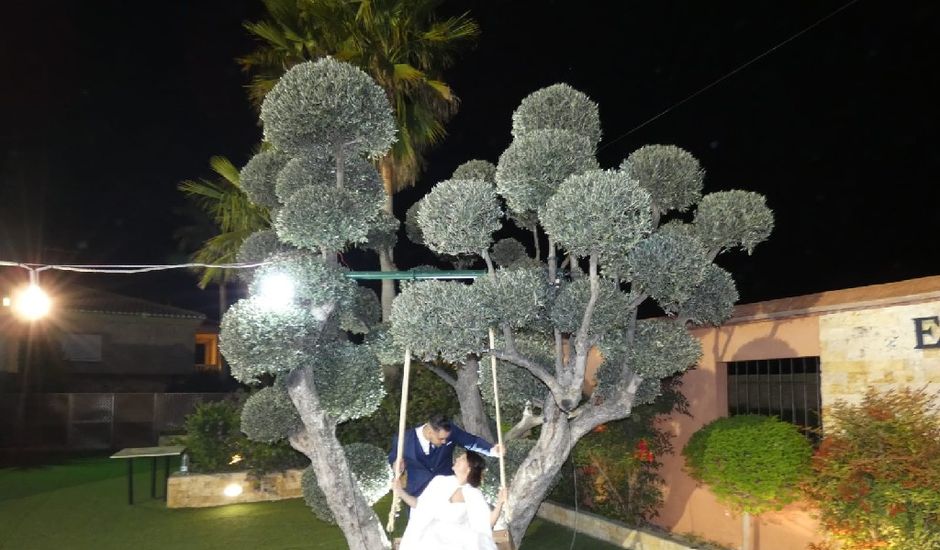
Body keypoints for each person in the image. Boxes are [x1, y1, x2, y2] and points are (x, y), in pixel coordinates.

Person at [393, 450, 507, 550]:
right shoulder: (440, 482)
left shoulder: (473, 493)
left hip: (458, 540)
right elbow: (420, 505)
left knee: (471, 542)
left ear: (468, 469)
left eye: (462, 458)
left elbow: (486, 523)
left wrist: (500, 503)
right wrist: (400, 492)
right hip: (432, 536)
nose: (457, 458)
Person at [388, 413, 503, 498]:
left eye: (446, 439)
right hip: (418, 494)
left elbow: (472, 442)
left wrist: (492, 450)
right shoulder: (403, 439)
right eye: (441, 439)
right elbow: (393, 458)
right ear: (429, 432)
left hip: (448, 491)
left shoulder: (449, 432)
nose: (444, 442)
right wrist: (396, 466)